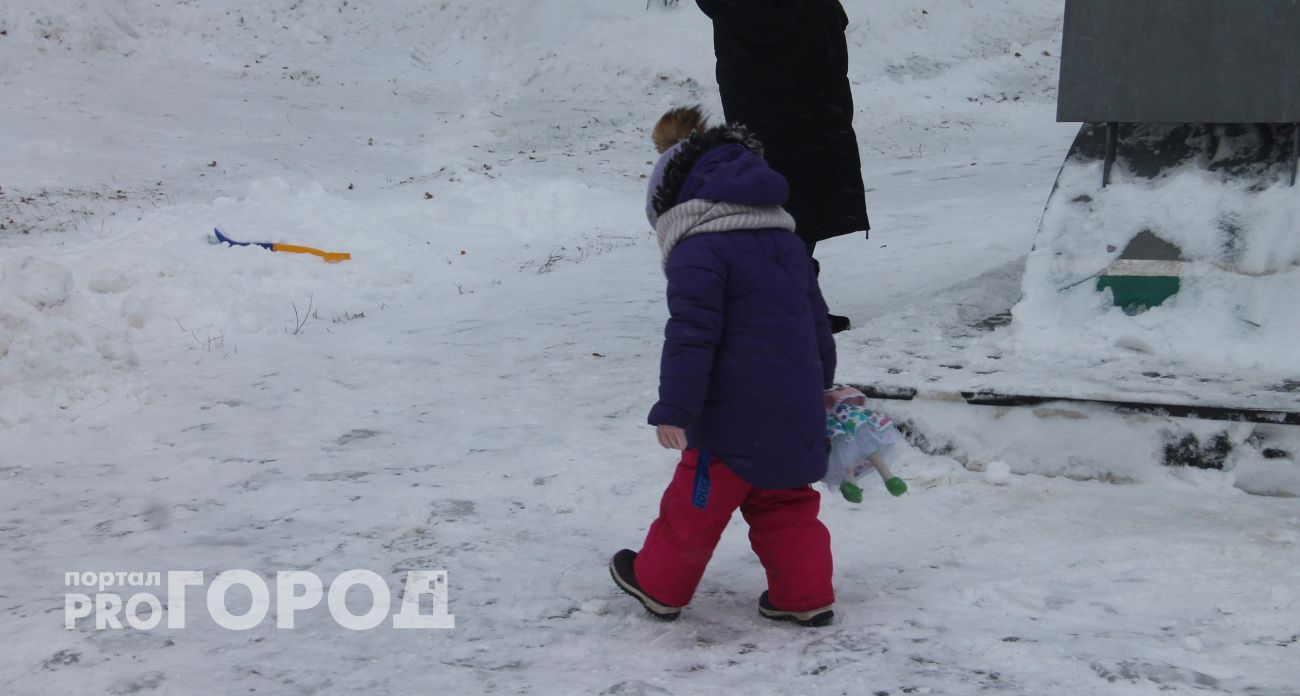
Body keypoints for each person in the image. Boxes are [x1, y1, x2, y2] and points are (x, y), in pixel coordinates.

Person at [609, 106, 838, 627]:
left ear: (674, 199)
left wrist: (676, 407)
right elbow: (816, 321)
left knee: (695, 507)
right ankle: (804, 596)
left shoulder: (700, 249)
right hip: (795, 406)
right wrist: (822, 385)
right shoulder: (788, 242)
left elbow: (692, 335)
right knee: (786, 503)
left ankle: (660, 585)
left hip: (730, 415)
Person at [694, 0, 869, 333]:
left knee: (809, 189)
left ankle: (791, 298)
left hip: (808, 65)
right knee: (781, 189)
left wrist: (826, 17)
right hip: (766, 75)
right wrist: (776, 23)